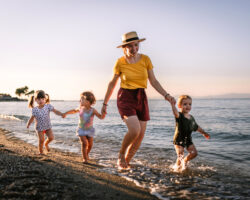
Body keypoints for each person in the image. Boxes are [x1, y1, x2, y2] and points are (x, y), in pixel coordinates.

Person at [101, 31, 175, 169]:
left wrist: (167, 95)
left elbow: (153, 81)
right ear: (124, 48)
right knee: (134, 130)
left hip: (141, 96)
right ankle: (121, 155)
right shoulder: (120, 62)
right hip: (125, 97)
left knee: (140, 136)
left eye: (136, 45)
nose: (134, 48)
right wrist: (104, 103)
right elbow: (112, 83)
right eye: (130, 46)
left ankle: (126, 163)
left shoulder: (146, 59)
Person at [62, 91, 105, 163]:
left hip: (90, 130)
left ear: (88, 101)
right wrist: (66, 113)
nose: (79, 101)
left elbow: (100, 117)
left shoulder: (93, 110)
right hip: (81, 129)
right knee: (84, 143)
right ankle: (84, 158)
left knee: (90, 145)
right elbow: (73, 111)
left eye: (81, 99)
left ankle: (86, 154)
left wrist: (103, 113)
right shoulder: (80, 108)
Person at [170, 95, 210, 171]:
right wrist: (172, 105)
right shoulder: (179, 115)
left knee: (194, 153)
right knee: (180, 155)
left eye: (190, 104)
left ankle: (185, 161)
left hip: (188, 139)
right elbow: (175, 112)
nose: (188, 106)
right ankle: (177, 169)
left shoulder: (191, 117)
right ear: (179, 106)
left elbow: (196, 127)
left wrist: (204, 133)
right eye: (185, 104)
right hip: (179, 139)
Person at [27, 90, 63, 154]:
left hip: (47, 126)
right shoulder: (35, 109)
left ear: (45, 99)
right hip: (39, 127)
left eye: (42, 99)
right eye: (39, 99)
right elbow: (32, 118)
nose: (41, 100)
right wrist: (28, 124)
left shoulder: (48, 106)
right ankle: (41, 152)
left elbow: (55, 111)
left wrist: (61, 114)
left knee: (51, 138)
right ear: (35, 100)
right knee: (41, 140)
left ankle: (46, 144)